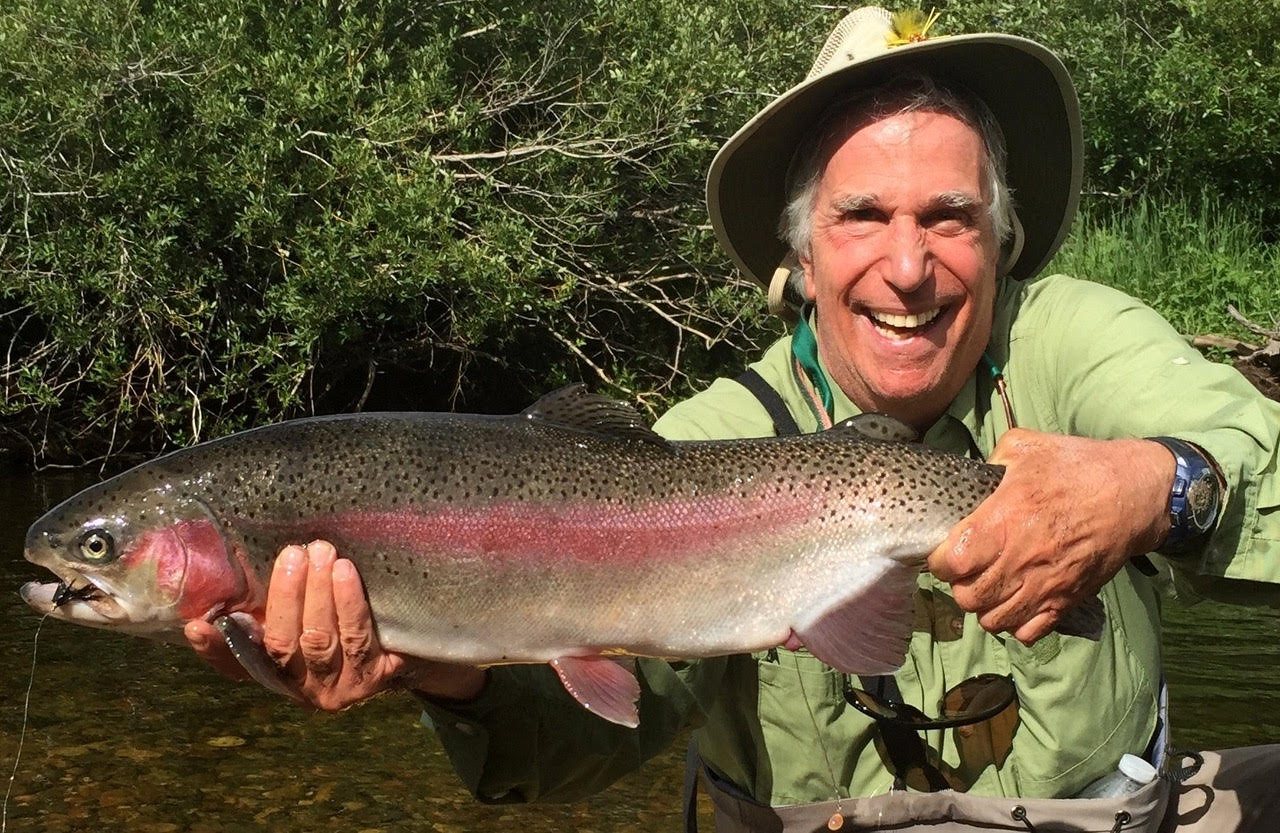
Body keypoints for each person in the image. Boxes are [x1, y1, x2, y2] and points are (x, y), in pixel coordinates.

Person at [186, 7, 1280, 832]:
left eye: (947, 217)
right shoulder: (707, 439)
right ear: (799, 256)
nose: (908, 267)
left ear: (997, 240)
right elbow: (572, 749)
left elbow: (1257, 460)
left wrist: (1157, 486)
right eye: (861, 217)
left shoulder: (1073, 342)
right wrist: (442, 668)